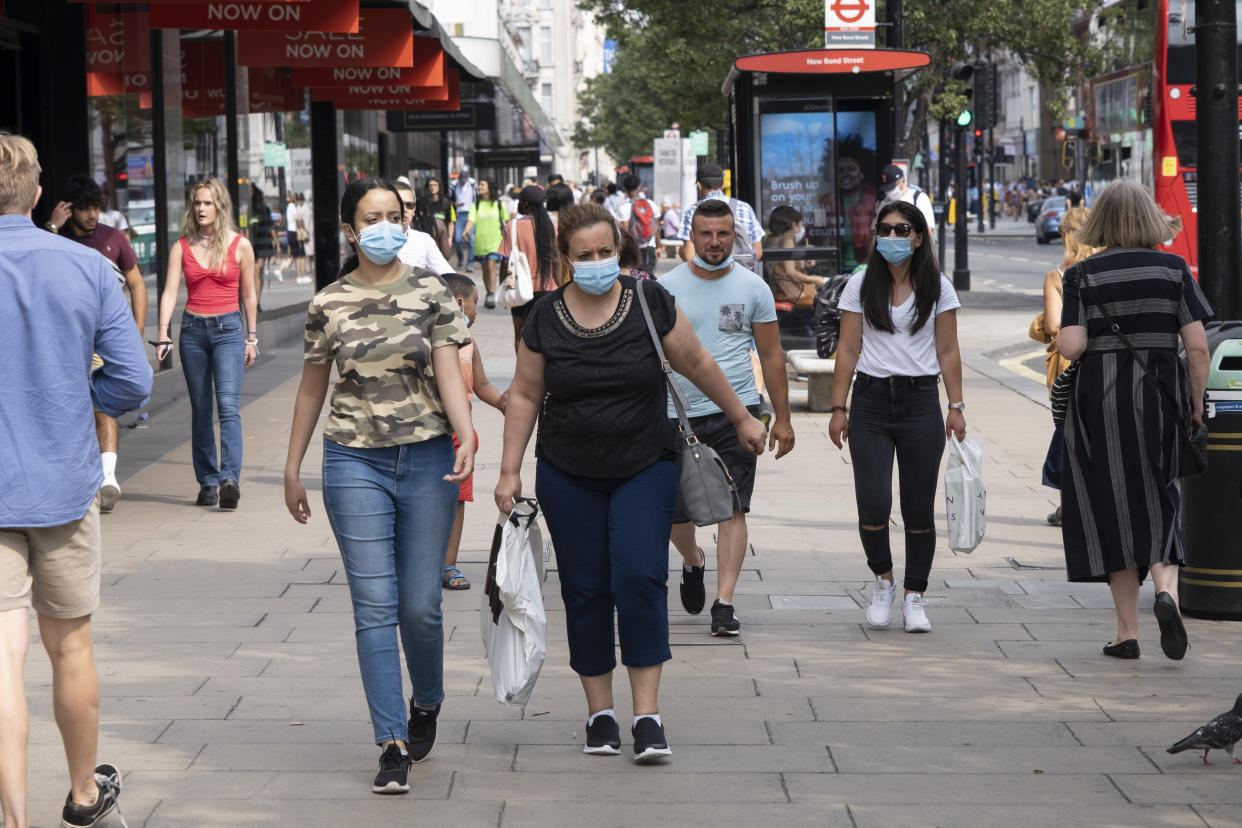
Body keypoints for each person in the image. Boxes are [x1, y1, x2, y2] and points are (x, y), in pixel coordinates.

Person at [495, 202, 766, 761]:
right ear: (566, 260)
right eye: (585, 256)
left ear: (618, 251)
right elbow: (524, 393)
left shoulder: (649, 300)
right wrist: (508, 470)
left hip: (645, 464)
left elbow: (697, 363)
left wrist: (741, 417)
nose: (598, 263)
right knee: (586, 588)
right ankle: (599, 713)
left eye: (606, 253)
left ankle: (647, 716)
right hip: (568, 473)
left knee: (641, 579)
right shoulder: (545, 316)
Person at [283, 177, 475, 793]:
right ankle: (390, 741)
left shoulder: (432, 293)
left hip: (425, 460)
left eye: (394, 215)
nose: (385, 226)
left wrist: (466, 434)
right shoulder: (328, 303)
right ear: (349, 228)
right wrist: (292, 466)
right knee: (374, 608)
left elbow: (451, 368)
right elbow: (313, 385)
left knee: (420, 606)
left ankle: (429, 700)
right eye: (372, 217)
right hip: (353, 463)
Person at [0, 132, 151, 828]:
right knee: (72, 645)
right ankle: (85, 794)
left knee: (2, 661)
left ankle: (13, 817)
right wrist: (76, 395)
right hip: (63, 483)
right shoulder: (87, 269)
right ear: (36, 196)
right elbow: (131, 381)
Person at [1055, 179, 1211, 661]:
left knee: (1113, 504)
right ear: (1149, 218)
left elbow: (1072, 347)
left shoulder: (1083, 274)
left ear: (1103, 220)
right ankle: (1166, 591)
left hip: (1098, 403)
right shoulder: (1173, 268)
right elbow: (1199, 347)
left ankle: (1127, 635)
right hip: (1161, 397)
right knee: (1161, 492)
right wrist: (1196, 404)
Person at [828, 201, 965, 634]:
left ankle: (915, 596)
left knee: (918, 509)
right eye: (884, 230)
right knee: (873, 503)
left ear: (919, 236)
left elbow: (948, 350)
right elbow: (848, 349)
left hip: (920, 400)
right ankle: (884, 580)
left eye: (902, 229)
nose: (891, 237)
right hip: (869, 401)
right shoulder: (860, 285)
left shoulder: (938, 286)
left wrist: (956, 406)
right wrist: (838, 408)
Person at [660, 199, 795, 635]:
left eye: (723, 234)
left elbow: (772, 356)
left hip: (737, 411)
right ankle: (693, 560)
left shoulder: (753, 287)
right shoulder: (667, 287)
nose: (715, 242)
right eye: (706, 234)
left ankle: (725, 602)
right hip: (676, 412)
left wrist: (784, 418)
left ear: (734, 235)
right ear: (692, 237)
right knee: (677, 513)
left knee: (732, 506)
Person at [153, 178, 259, 509]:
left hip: (229, 329)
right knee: (201, 410)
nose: (200, 208)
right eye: (197, 203)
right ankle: (208, 483)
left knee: (227, 405)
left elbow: (249, 293)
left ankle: (229, 479)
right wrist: (163, 333)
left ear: (220, 206)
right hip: (194, 331)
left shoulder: (240, 244)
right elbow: (170, 291)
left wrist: (252, 337)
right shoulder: (181, 247)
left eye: (207, 203)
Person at [46, 175, 147, 513]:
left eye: (97, 208)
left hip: (104, 339)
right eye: (86, 208)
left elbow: (137, 284)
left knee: (104, 405)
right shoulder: (52, 238)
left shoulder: (113, 239)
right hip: (66, 340)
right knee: (71, 407)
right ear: (68, 208)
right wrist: (51, 227)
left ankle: (108, 478)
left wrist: (135, 330)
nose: (93, 215)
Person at [1030, 206, 1096, 527]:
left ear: (1066, 236)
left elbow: (1055, 325)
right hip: (1103, 359)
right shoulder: (1106, 268)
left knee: (1067, 432)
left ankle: (1068, 505)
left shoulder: (1057, 276)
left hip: (1067, 363)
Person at [441, 273, 507, 589]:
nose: (477, 312)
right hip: (431, 437)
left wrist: (506, 404)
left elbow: (480, 385)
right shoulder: (427, 341)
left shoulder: (469, 343)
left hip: (461, 440)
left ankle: (449, 565)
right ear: (458, 303)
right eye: (475, 304)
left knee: (457, 500)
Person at [499, 184, 559, 350]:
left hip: (520, 289)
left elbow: (505, 261)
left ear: (525, 204)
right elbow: (557, 261)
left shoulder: (513, 226)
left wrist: (502, 286)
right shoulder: (553, 227)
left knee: (520, 336)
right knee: (546, 335)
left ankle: (522, 373)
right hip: (548, 289)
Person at [677, 163, 764, 274]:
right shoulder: (745, 208)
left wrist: (682, 252)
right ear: (722, 185)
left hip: (708, 279)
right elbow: (758, 252)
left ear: (699, 185)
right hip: (740, 278)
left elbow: (689, 255)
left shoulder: (693, 211)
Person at [763, 205, 825, 308]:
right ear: (794, 224)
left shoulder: (771, 239)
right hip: (790, 292)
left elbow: (780, 262)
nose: (801, 228)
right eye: (801, 224)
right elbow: (790, 272)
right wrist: (816, 280)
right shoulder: (788, 238)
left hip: (775, 289)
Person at [464, 177, 508, 309]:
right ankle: (489, 291)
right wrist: (465, 231)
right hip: (480, 242)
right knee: (485, 270)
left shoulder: (499, 204)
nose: (480, 187)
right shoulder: (476, 205)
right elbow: (471, 220)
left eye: (482, 184)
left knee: (491, 266)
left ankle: (492, 294)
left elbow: (507, 220)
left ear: (490, 187)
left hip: (495, 241)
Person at [394, 179, 453, 274]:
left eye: (409, 205)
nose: (404, 209)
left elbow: (449, 276)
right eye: (399, 203)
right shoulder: (371, 240)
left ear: (414, 209)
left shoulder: (424, 240)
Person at [878, 165, 936, 237]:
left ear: (903, 181)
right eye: (887, 189)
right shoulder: (883, 203)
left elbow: (927, 230)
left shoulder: (919, 198)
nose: (889, 192)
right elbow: (874, 231)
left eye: (892, 188)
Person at [616, 174, 658, 275]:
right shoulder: (651, 204)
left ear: (625, 189)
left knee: (634, 278)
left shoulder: (624, 208)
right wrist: (659, 246)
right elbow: (656, 227)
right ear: (638, 188)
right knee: (649, 277)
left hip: (634, 249)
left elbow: (625, 231)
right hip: (650, 246)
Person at [250, 184, 279, 303]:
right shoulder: (248, 208)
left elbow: (270, 227)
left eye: (251, 191)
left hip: (261, 243)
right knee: (254, 273)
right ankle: (254, 301)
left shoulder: (264, 209)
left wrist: (275, 243)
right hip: (251, 243)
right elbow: (245, 226)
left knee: (258, 270)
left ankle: (257, 301)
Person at [423, 177, 456, 260]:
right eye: (430, 185)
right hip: (429, 238)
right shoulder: (424, 203)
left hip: (443, 237)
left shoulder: (446, 203)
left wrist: (450, 238)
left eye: (435, 185)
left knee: (445, 258)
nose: (432, 187)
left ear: (439, 186)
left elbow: (451, 222)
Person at [453, 165, 477, 272]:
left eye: (464, 180)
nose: (462, 182)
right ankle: (461, 258)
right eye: (461, 180)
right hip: (459, 215)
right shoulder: (453, 186)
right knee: (458, 240)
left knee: (471, 240)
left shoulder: (472, 184)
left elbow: (477, 198)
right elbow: (450, 199)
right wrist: (455, 204)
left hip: (470, 214)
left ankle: (470, 263)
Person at [285, 190, 306, 283]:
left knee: (295, 255)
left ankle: (301, 276)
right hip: (294, 232)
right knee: (298, 255)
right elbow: (296, 218)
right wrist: (301, 225)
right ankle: (300, 276)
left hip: (290, 232)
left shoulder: (289, 206)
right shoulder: (292, 206)